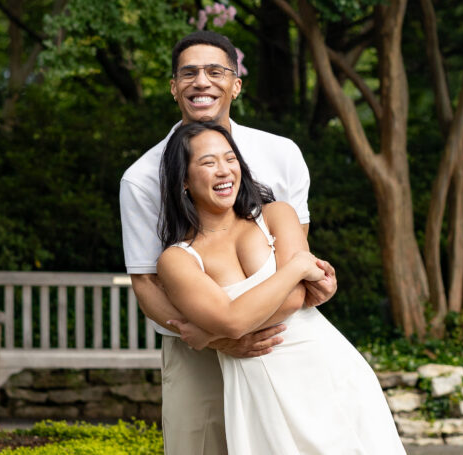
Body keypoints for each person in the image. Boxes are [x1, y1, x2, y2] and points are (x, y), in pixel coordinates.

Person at [120, 31, 336, 454]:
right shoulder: (142, 177)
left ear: (236, 84)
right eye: (189, 73)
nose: (202, 82)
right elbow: (146, 283)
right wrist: (212, 334)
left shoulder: (282, 154)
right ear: (173, 87)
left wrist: (315, 288)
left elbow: (295, 261)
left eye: (215, 71)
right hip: (193, 347)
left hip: (284, 339)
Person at [156, 121, 404, 455]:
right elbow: (232, 321)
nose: (223, 170)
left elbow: (296, 297)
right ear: (183, 180)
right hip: (256, 392)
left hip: (327, 370)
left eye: (230, 159)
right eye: (208, 162)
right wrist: (298, 267)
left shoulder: (277, 214)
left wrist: (210, 335)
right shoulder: (177, 260)